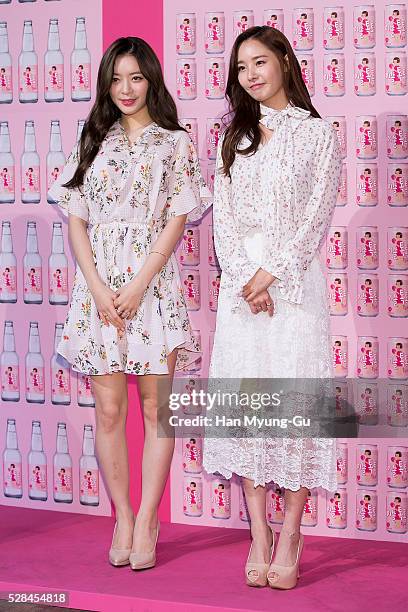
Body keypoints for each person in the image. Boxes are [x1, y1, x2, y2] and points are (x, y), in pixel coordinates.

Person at [49, 37, 211, 570]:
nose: (125, 89)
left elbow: (177, 218)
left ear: (151, 81)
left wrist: (140, 283)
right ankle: (122, 514)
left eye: (136, 78)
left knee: (155, 411)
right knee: (110, 410)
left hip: (153, 286)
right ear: (106, 83)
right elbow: (76, 217)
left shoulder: (175, 143)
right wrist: (96, 287)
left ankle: (147, 520)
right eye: (116, 79)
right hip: (98, 291)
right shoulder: (93, 138)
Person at [202, 26, 341, 590]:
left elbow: (315, 215)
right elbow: (226, 219)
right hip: (242, 297)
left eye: (260, 62)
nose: (251, 75)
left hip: (295, 290)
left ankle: (290, 535)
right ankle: (258, 534)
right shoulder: (232, 139)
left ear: (285, 60)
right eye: (241, 67)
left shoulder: (318, 134)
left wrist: (270, 275)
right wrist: (244, 278)